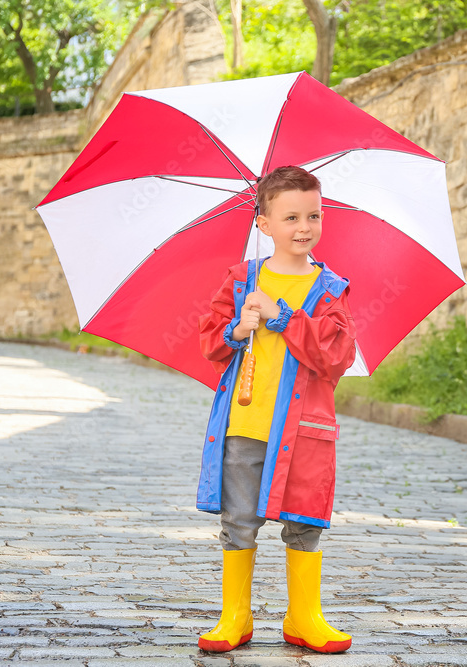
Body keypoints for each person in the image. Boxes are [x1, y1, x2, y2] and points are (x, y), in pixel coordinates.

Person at [195, 165, 357, 654]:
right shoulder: (243, 278)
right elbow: (209, 339)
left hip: (304, 429)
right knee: (238, 517)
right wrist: (239, 329)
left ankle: (304, 617)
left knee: (305, 521)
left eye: (313, 215)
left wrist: (283, 316)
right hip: (244, 422)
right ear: (263, 224)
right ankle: (235, 616)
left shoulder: (329, 290)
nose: (304, 227)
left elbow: (334, 357)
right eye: (290, 217)